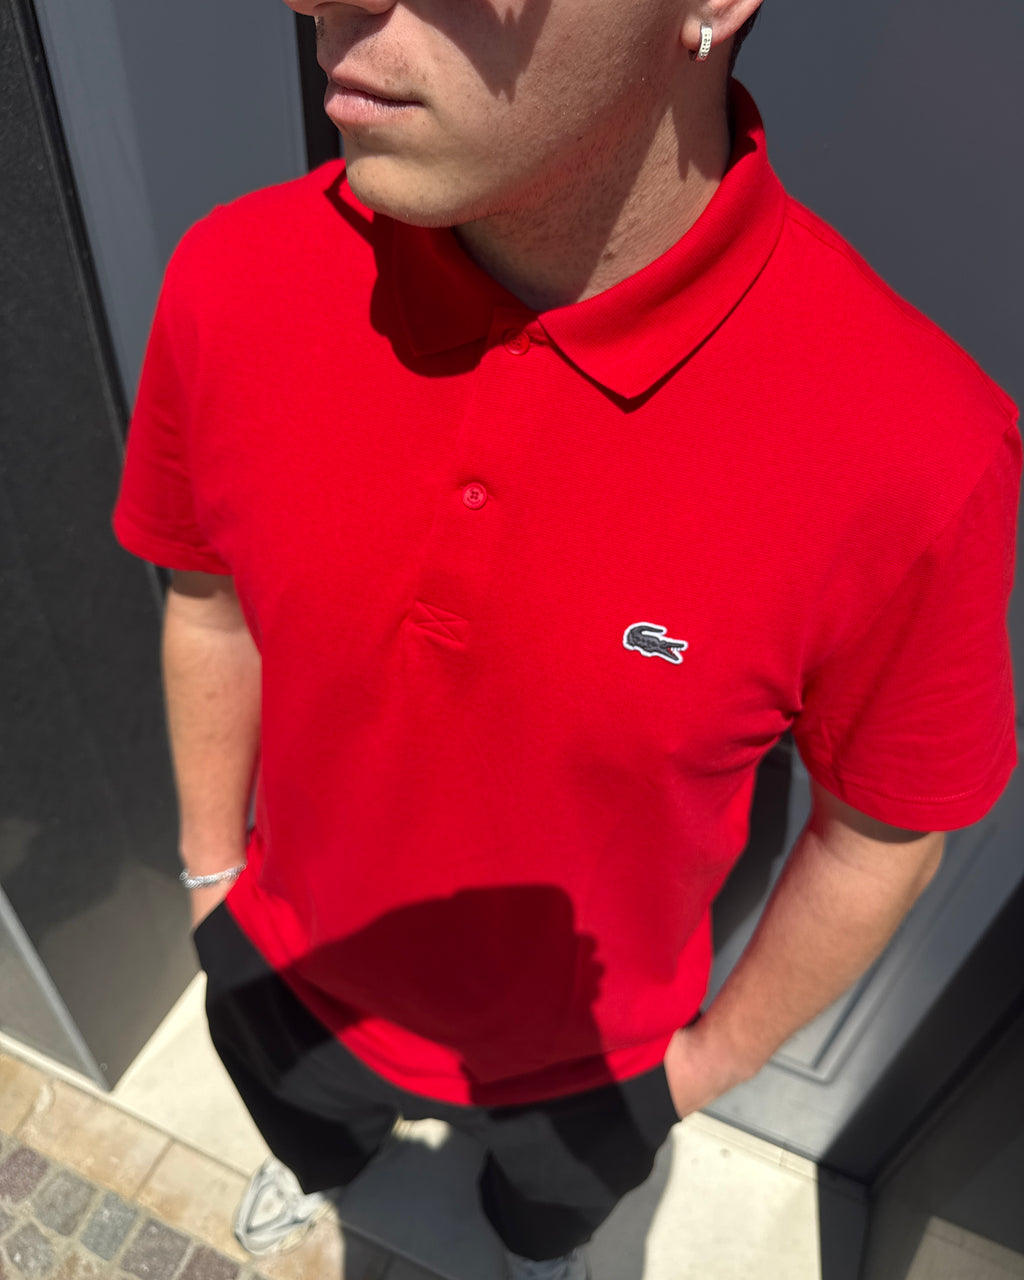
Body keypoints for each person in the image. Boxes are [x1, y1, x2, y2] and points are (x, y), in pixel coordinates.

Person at [112, 1, 1020, 1277]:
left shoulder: (915, 451)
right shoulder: (234, 272)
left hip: (595, 1064)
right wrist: (212, 878)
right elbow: (208, 600)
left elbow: (879, 833)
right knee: (313, 1144)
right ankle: (318, 1166)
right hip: (281, 960)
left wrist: (695, 1070)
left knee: (536, 1231)